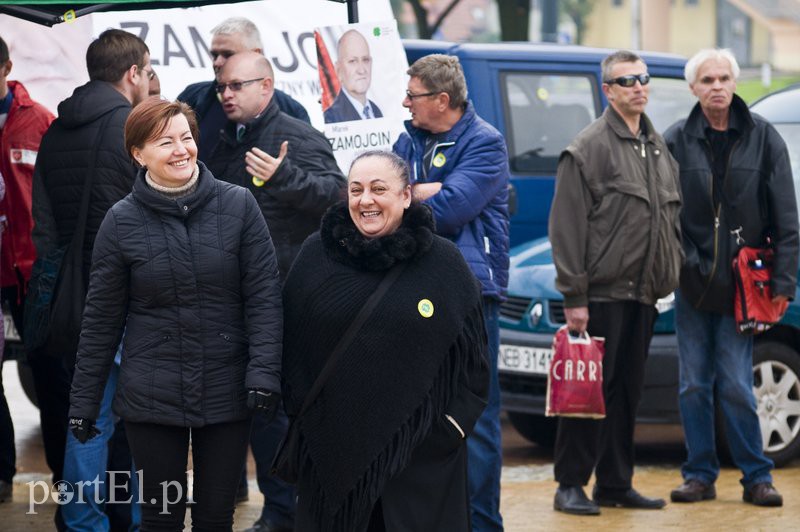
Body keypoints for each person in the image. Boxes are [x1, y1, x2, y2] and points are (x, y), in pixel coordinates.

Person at [68, 97, 284, 530]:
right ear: (137, 153)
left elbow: (264, 297)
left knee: (215, 516)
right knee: (160, 516)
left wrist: (263, 373)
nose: (181, 149)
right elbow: (101, 321)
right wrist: (84, 402)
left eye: (186, 138)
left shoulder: (239, 205)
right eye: (165, 142)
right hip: (152, 392)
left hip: (226, 387)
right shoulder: (121, 221)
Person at [282, 150, 488, 531]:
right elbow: (290, 346)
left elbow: (473, 365)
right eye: (356, 190)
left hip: (420, 464)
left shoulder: (444, 264)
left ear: (406, 196)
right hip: (333, 456)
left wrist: (447, 430)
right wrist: (308, 421)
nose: (366, 200)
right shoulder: (318, 255)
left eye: (379, 189)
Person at [207, 50, 344, 532]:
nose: (226, 94)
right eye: (222, 86)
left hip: (287, 300)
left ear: (266, 86)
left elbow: (338, 198)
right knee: (256, 411)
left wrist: (285, 177)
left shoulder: (296, 137)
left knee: (279, 412)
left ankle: (288, 511)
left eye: (237, 85)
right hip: (237, 300)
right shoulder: (226, 140)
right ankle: (278, 508)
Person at [548, 50, 683, 515]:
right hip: (601, 293)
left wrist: (672, 268)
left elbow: (671, 217)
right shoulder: (588, 148)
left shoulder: (657, 146)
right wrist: (575, 295)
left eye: (643, 79)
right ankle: (569, 484)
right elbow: (566, 227)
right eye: (627, 81)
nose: (638, 87)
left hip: (644, 294)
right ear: (607, 90)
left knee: (627, 394)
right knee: (586, 393)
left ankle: (615, 483)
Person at [664, 48, 798, 508]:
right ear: (693, 88)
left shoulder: (765, 139)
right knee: (693, 384)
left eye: (723, 78)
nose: (716, 86)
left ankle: (756, 476)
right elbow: (665, 216)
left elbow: (786, 217)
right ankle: (699, 475)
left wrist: (783, 284)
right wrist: (685, 264)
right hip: (693, 286)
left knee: (739, 384)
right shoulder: (677, 140)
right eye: (707, 79)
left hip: (745, 288)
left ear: (735, 83)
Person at [30, 28, 151, 531]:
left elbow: (43, 225)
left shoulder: (55, 130)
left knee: (89, 421)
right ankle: (137, 519)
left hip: (69, 302)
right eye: (146, 71)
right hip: (126, 301)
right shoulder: (132, 128)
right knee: (142, 422)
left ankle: (83, 521)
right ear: (132, 73)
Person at [392, 53, 509, 531]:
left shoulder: (486, 143)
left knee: (477, 417)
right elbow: (383, 196)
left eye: (414, 95)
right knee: (421, 411)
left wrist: (409, 194)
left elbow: (452, 208)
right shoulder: (408, 137)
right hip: (414, 287)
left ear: (442, 100)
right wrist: (423, 190)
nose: (405, 103)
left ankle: (482, 524)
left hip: (472, 295)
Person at [0, 34, 54, 504]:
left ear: (7, 68)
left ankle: (66, 477)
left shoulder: (38, 122)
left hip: (28, 271)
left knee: (46, 368)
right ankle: (1, 473)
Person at [178, 16, 310, 160]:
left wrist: (281, 174)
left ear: (256, 54)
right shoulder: (193, 98)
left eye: (228, 54)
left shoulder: (292, 110)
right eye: (214, 55)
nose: (217, 62)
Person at [323, 29, 383, 123]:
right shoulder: (331, 117)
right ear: (338, 70)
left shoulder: (377, 111)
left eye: (365, 60)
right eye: (352, 61)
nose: (361, 70)